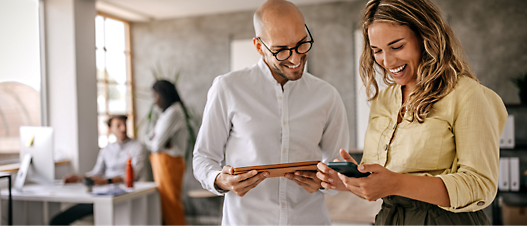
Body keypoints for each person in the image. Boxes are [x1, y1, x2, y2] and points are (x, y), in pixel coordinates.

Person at [317, 0, 508, 225]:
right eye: (377, 51)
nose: (387, 61)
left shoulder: (468, 95)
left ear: (426, 37)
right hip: (390, 219)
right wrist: (349, 181)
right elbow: (383, 181)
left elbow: (480, 186)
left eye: (397, 46)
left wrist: (396, 183)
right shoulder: (384, 99)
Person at [193, 0, 350, 225]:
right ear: (259, 47)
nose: (295, 59)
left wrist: (326, 182)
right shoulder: (228, 88)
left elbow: (337, 167)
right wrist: (220, 180)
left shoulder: (328, 96)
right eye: (281, 51)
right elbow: (203, 158)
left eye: (301, 44)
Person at [50, 115, 145, 226]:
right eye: (118, 125)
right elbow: (96, 173)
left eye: (124, 125)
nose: (123, 129)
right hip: (104, 193)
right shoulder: (106, 149)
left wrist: (106, 181)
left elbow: (135, 175)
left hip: (125, 193)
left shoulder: (137, 146)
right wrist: (79, 178)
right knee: (56, 221)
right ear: (110, 129)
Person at [144, 79, 189, 226]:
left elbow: (155, 144)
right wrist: (157, 142)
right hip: (163, 162)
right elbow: (150, 137)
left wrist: (155, 141)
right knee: (166, 205)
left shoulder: (174, 112)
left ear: (164, 95)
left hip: (169, 163)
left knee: (171, 205)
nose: (155, 101)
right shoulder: (166, 113)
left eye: (156, 96)